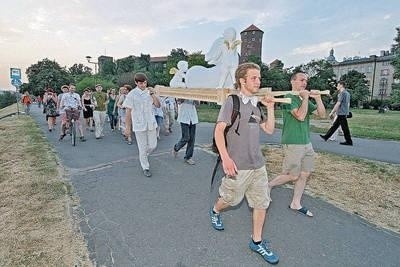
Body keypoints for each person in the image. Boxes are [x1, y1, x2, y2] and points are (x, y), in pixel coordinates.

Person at [209, 62, 279, 264]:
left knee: (261, 203)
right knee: (230, 200)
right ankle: (215, 210)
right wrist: (226, 158)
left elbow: (269, 129)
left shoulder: (257, 104)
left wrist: (271, 108)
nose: (259, 81)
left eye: (259, 77)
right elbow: (219, 130)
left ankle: (256, 241)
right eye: (254, 78)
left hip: (258, 164)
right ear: (242, 80)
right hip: (237, 166)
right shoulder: (232, 101)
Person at [269, 71, 326, 217]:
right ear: (293, 82)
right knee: (292, 176)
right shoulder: (289, 98)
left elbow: (322, 115)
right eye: (301, 80)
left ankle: (296, 203)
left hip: (306, 142)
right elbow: (300, 116)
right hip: (293, 142)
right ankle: (267, 186)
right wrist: (305, 98)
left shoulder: (302, 98)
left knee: (305, 174)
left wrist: (318, 98)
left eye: (306, 81)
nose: (304, 83)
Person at [123, 73, 160, 177]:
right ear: (136, 83)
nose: (143, 85)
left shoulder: (150, 91)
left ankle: (144, 155)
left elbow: (158, 105)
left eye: (144, 83)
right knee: (142, 148)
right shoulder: (132, 94)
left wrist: (152, 94)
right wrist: (127, 128)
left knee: (153, 145)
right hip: (139, 125)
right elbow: (128, 112)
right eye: (140, 83)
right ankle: (145, 167)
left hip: (151, 123)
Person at [320, 81, 353, 146]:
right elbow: (348, 104)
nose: (336, 86)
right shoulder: (347, 93)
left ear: (341, 85)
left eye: (337, 85)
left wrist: (332, 112)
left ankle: (349, 141)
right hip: (343, 112)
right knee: (335, 126)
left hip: (341, 113)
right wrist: (347, 112)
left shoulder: (342, 93)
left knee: (345, 128)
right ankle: (326, 136)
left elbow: (338, 103)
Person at [172, 99, 199, 165]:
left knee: (192, 139)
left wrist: (195, 98)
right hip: (184, 117)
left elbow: (198, 104)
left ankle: (188, 157)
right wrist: (185, 96)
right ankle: (176, 148)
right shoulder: (181, 90)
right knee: (186, 137)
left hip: (193, 118)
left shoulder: (195, 91)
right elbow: (178, 101)